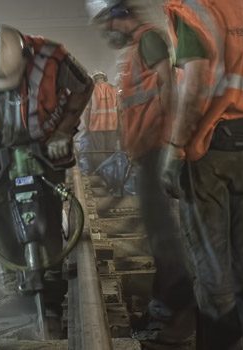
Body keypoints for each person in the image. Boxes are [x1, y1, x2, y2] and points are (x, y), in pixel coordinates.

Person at [0, 24, 93, 333]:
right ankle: (15, 286)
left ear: (25, 56)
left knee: (50, 212)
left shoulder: (53, 56)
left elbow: (84, 86)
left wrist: (64, 132)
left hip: (46, 145)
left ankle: (53, 288)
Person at [162, 0, 243, 348]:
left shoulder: (194, 8)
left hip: (208, 147)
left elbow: (195, 82)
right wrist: (240, 105)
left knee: (211, 266)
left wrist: (176, 149)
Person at [85, 0, 195, 345]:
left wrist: (167, 145)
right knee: (158, 234)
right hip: (148, 152)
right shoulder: (137, 48)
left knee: (164, 236)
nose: (107, 33)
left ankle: (177, 314)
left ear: (118, 15)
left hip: (158, 150)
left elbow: (168, 89)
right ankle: (164, 308)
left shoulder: (148, 40)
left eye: (107, 25)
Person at [79, 70, 119, 173]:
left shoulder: (91, 90)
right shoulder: (114, 89)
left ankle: (101, 173)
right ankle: (111, 174)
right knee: (110, 150)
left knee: (99, 151)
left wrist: (87, 128)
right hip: (112, 125)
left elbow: (87, 111)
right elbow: (120, 109)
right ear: (104, 78)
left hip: (96, 126)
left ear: (94, 79)